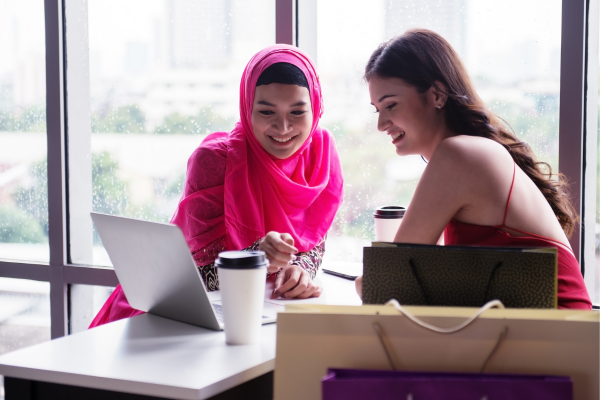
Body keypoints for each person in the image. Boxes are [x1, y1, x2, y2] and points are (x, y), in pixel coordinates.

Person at [89, 45, 344, 328]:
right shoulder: (215, 161)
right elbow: (186, 280)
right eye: (266, 111)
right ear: (247, 107)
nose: (283, 127)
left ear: (316, 108)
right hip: (170, 317)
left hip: (260, 317)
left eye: (297, 112)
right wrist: (253, 257)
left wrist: (301, 269)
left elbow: (314, 239)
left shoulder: (319, 154)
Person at [355, 29, 591, 309]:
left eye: (391, 105)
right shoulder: (469, 152)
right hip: (538, 329)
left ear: (437, 95)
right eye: (377, 110)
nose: (381, 124)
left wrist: (366, 280)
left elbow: (386, 285)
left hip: (555, 333)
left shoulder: (458, 155)